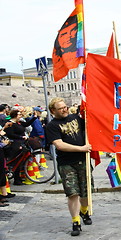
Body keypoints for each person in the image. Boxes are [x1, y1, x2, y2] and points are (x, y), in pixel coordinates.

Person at [46, 97, 93, 236]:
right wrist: (81, 148)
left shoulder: (75, 118)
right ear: (53, 111)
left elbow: (90, 125)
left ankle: (84, 211)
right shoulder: (52, 126)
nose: (65, 109)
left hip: (83, 161)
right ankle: (75, 221)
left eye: (65, 107)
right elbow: (59, 145)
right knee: (73, 193)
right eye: (61, 108)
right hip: (66, 163)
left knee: (85, 192)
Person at [4, 109, 37, 185]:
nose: (20, 116)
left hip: (22, 143)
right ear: (15, 115)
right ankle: (16, 179)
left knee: (21, 161)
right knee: (17, 161)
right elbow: (10, 134)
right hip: (15, 144)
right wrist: (21, 137)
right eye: (19, 114)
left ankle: (19, 177)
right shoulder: (10, 124)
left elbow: (26, 124)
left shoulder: (19, 123)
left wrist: (34, 117)